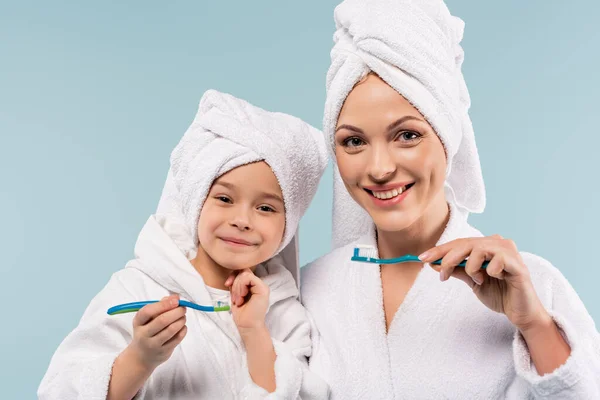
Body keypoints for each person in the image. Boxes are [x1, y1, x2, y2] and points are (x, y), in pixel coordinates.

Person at [300, 0, 600, 398]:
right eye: (353, 141)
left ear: (447, 136)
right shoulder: (310, 290)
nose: (379, 168)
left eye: (407, 135)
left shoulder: (532, 286)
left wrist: (534, 325)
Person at [38, 89, 330, 400]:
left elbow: (301, 394)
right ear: (196, 202)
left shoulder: (284, 309)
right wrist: (140, 358)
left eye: (266, 208)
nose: (242, 219)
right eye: (224, 199)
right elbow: (62, 390)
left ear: (288, 224)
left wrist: (254, 331)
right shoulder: (138, 289)